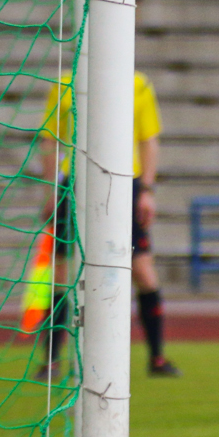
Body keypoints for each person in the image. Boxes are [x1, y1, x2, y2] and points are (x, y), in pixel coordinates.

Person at [38, 70, 181, 379]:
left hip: (123, 185)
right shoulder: (63, 83)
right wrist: (51, 188)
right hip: (72, 185)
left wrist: (146, 190)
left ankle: (157, 357)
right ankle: (50, 360)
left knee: (142, 270)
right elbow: (49, 139)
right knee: (61, 273)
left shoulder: (138, 83)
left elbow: (149, 140)